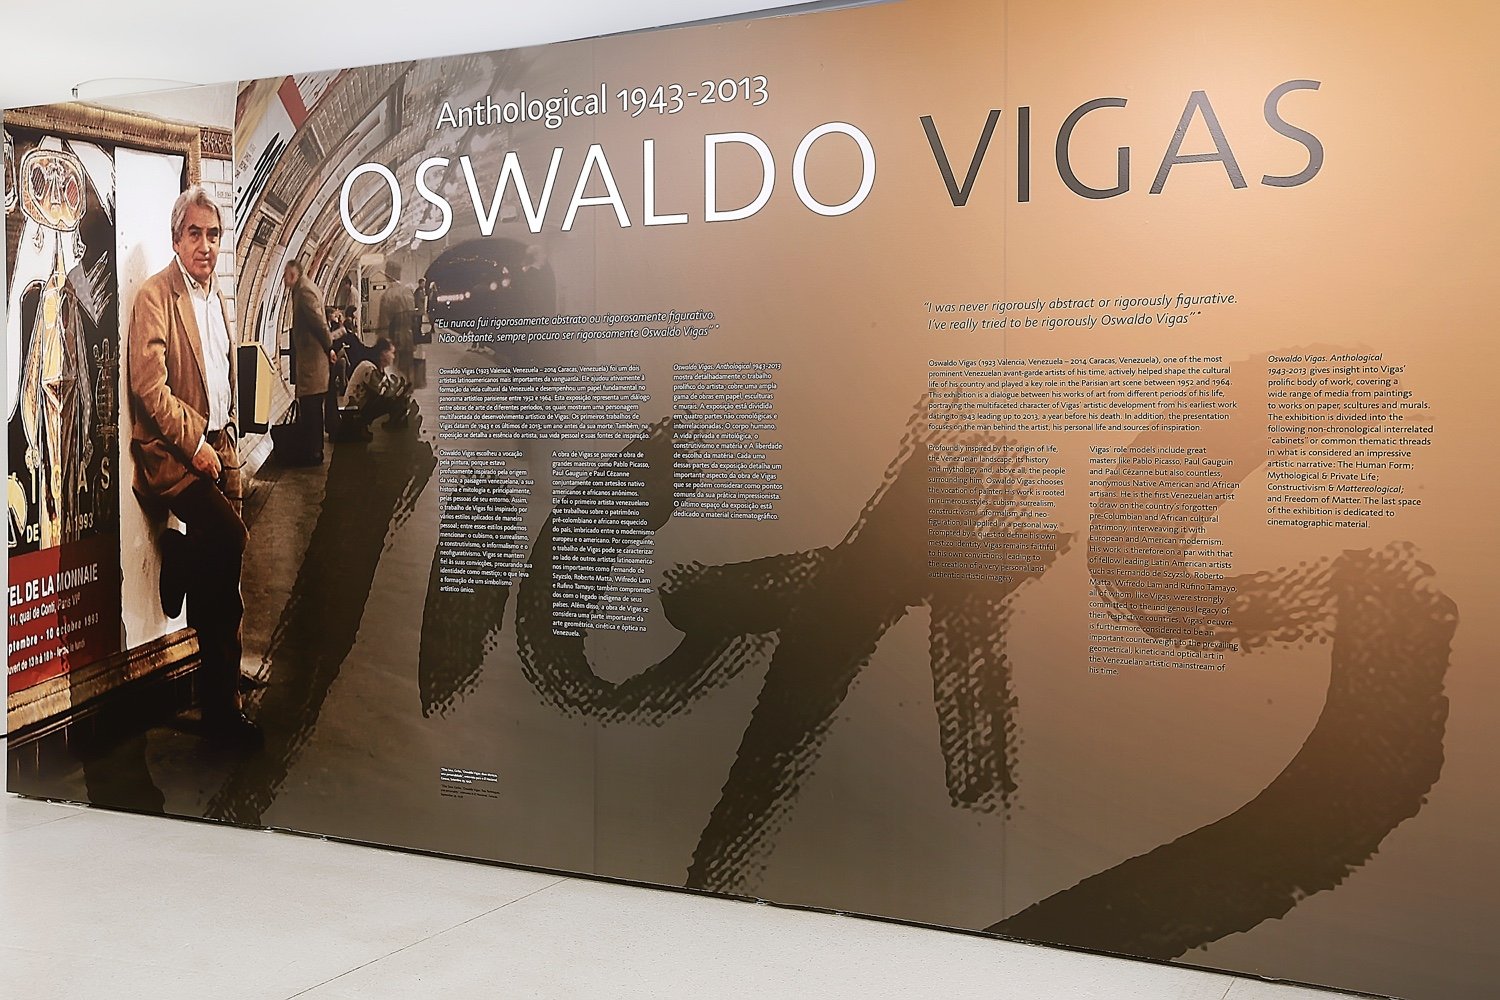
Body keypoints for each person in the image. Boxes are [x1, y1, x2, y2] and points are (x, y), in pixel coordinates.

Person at [126, 185, 259, 749]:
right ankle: (178, 558)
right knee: (231, 538)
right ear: (176, 238)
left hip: (221, 447)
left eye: (213, 235)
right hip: (175, 456)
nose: (205, 245)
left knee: (224, 587)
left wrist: (228, 437)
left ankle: (221, 708)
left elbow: (219, 371)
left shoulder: (215, 296)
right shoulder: (157, 294)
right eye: (194, 234)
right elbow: (149, 387)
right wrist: (196, 443)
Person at [282, 257, 338, 465]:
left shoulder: (304, 291)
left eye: (285, 276)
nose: (284, 280)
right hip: (311, 359)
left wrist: (329, 346)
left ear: (293, 274)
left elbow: (319, 323)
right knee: (311, 406)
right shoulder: (302, 288)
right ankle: (313, 450)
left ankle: (314, 453)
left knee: (311, 407)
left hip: (313, 361)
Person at [334, 338, 413, 440]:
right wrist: (398, 389)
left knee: (394, 399)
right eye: (392, 353)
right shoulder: (369, 367)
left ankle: (391, 423)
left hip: (358, 405)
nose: (393, 356)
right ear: (383, 353)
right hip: (353, 407)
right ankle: (385, 425)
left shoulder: (378, 368)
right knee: (390, 401)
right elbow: (382, 391)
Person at [381, 262, 417, 378]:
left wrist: (382, 345)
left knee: (396, 371)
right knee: (408, 369)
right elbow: (414, 316)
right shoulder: (408, 292)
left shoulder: (388, 295)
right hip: (409, 337)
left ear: (387, 275)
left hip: (395, 340)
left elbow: (384, 323)